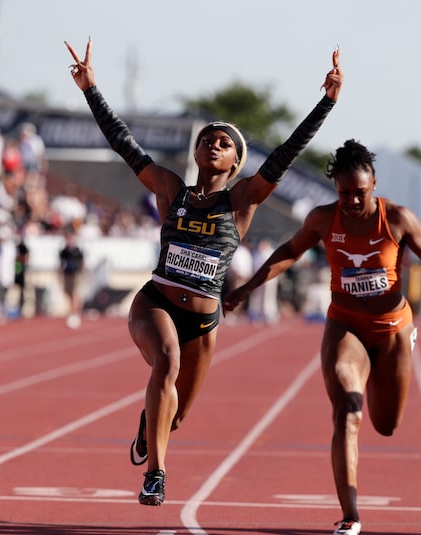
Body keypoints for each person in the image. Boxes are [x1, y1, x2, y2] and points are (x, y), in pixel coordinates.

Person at [65, 37, 343, 506]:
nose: (215, 145)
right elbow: (125, 146)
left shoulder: (240, 202)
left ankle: (150, 427)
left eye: (224, 144)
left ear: (236, 162)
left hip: (204, 321)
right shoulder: (169, 188)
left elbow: (284, 155)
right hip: (155, 302)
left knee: (175, 417)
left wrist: (326, 103)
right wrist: (91, 90)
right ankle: (156, 475)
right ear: (196, 154)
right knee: (166, 364)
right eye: (208, 141)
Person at [223, 140, 421, 535]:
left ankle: (386, 368)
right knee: (347, 413)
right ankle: (350, 514)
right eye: (344, 193)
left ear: (374, 185)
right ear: (334, 189)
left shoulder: (398, 218)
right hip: (346, 325)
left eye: (359, 193)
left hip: (393, 329)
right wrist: (246, 288)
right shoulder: (323, 219)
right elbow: (288, 251)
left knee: (385, 424)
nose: (351, 201)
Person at [59, 230, 84, 329]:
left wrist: (83, 272)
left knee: (74, 293)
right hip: (67, 274)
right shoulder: (64, 251)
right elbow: (61, 264)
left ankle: (75, 312)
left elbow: (82, 262)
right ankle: (72, 310)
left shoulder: (77, 250)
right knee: (69, 293)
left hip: (75, 274)